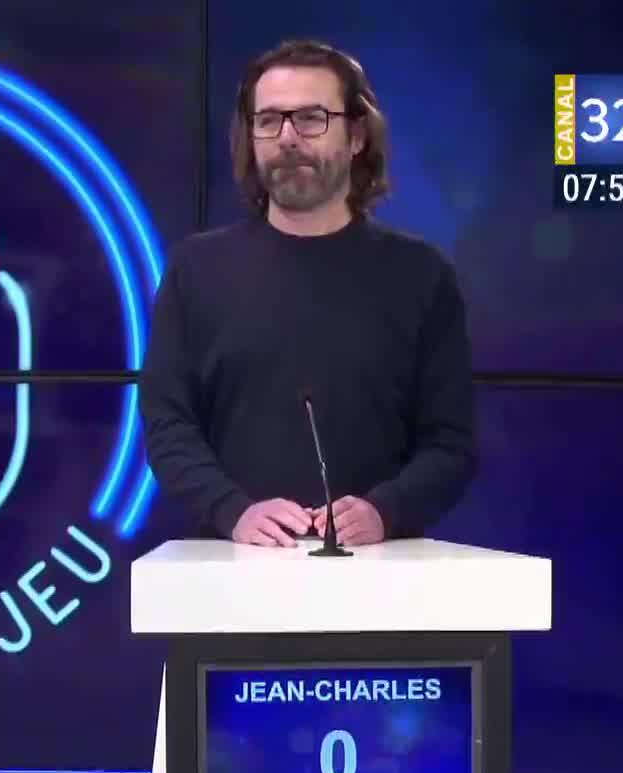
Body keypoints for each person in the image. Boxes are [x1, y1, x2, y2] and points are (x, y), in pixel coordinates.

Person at [141, 40, 476, 547]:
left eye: (311, 118)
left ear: (357, 135)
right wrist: (234, 512)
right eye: (269, 120)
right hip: (229, 581)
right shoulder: (195, 270)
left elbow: (451, 444)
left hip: (383, 584)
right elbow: (168, 425)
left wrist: (385, 511)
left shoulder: (422, 276)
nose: (288, 138)